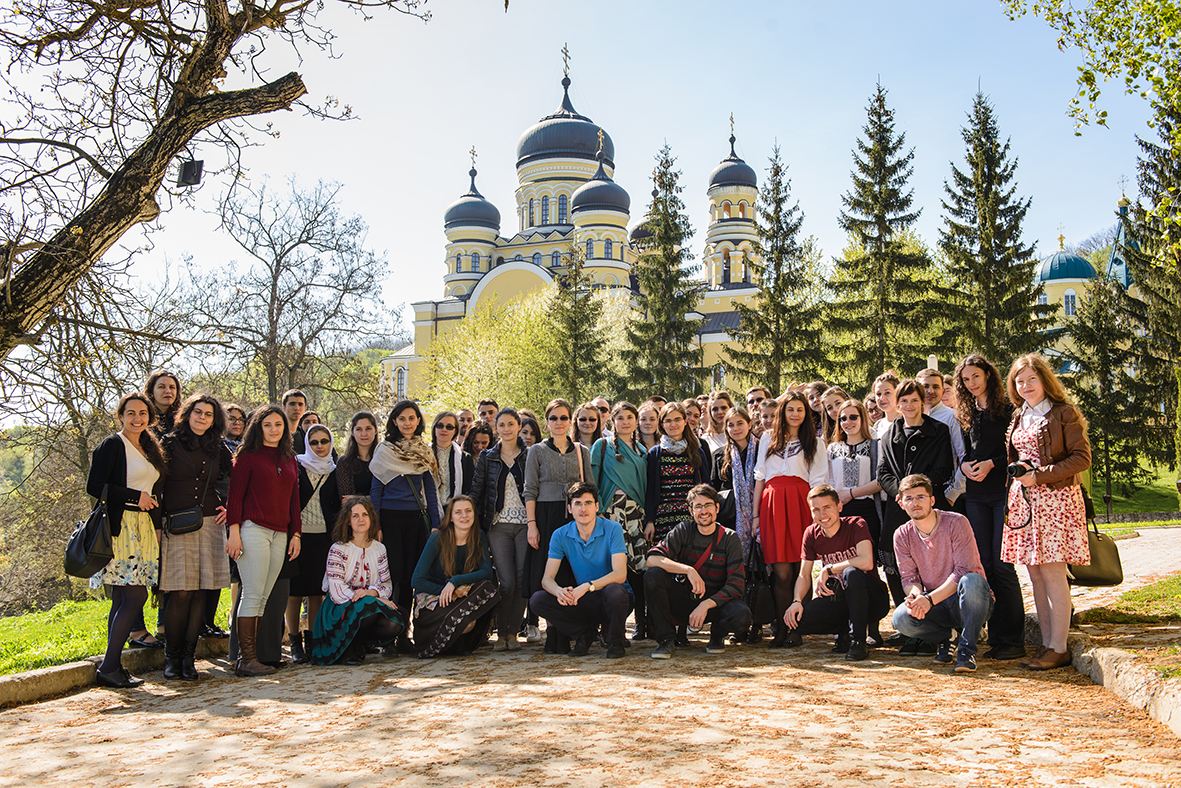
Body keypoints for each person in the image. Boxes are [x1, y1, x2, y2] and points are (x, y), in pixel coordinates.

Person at [1004, 353, 1092, 671]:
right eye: (1019, 380)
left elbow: (1081, 459)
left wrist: (1039, 475)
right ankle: (1046, 643)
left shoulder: (1063, 413)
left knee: (1054, 572)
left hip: (1056, 499)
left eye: (1031, 379)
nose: (1026, 385)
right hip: (1024, 502)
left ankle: (1059, 646)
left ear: (1045, 380)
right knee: (1035, 575)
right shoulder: (1019, 416)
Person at [87, 393, 167, 688]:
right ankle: (109, 666)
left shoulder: (148, 446)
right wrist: (136, 497)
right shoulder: (112, 445)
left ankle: (113, 666)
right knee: (136, 596)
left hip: (142, 526)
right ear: (121, 415)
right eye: (131, 413)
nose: (137, 418)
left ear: (150, 417)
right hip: (120, 527)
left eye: (143, 413)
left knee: (122, 598)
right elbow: (94, 486)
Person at [954, 354, 1025, 661]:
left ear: (988, 375)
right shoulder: (967, 412)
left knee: (1003, 565)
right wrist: (966, 465)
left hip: (1002, 493)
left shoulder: (1008, 409)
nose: (971, 384)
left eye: (975, 377)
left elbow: (1016, 451)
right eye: (965, 380)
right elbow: (965, 452)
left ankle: (1014, 639)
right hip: (976, 496)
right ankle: (996, 638)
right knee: (984, 565)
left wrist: (993, 464)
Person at [159, 393, 232, 680]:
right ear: (187, 413)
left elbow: (237, 479)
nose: (202, 418)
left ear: (215, 419)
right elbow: (157, 486)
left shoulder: (217, 447)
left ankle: (189, 659)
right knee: (180, 593)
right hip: (176, 525)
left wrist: (230, 508)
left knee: (201, 591)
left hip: (210, 523)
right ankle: (172, 658)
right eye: (197, 412)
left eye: (209, 414)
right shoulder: (169, 443)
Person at [225, 404, 302, 677]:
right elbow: (234, 496)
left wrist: (296, 534)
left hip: (280, 533)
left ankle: (252, 657)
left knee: (264, 597)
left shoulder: (289, 458)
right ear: (258, 427)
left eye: (278, 425)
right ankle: (245, 659)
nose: (273, 429)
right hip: (252, 530)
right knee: (253, 594)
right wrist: (234, 532)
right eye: (267, 424)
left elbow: (294, 500)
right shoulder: (247, 456)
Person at [891, 474, 993, 673]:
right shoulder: (901, 535)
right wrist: (916, 596)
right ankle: (948, 637)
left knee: (971, 580)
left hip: (968, 600)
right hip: (936, 604)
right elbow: (909, 577)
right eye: (909, 498)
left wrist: (929, 600)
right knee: (901, 618)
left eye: (920, 497)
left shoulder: (956, 522)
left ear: (932, 500)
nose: (915, 503)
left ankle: (967, 650)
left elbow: (964, 570)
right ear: (902, 503)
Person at [877, 378, 954, 633]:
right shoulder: (889, 435)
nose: (909, 405)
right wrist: (901, 494)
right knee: (897, 566)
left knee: (932, 564)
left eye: (914, 400)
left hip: (930, 507)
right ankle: (909, 628)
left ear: (923, 402)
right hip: (898, 508)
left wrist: (918, 494)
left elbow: (944, 468)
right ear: (898, 405)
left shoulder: (939, 430)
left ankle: (935, 624)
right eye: (904, 401)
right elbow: (883, 472)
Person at [753, 391, 828, 647]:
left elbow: (819, 480)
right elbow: (760, 478)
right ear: (782, 412)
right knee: (782, 572)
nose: (795, 414)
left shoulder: (816, 443)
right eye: (790, 409)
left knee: (801, 569)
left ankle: (798, 628)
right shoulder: (767, 438)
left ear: (806, 413)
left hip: (802, 502)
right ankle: (781, 628)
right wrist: (754, 516)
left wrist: (819, 515)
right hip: (772, 505)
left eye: (800, 409)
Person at [782, 485, 889, 660]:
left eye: (827, 508)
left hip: (872, 600)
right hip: (840, 598)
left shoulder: (856, 524)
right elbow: (804, 574)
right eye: (816, 510)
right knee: (798, 622)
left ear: (839, 507)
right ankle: (844, 632)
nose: (822, 515)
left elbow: (867, 562)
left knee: (852, 573)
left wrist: (830, 568)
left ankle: (858, 641)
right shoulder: (811, 533)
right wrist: (797, 601)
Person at [645, 484, 750, 658]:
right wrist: (688, 570)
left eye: (708, 505)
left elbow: (736, 584)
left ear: (717, 508)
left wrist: (706, 604)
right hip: (686, 598)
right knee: (653, 576)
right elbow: (652, 559)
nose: (703, 511)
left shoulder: (730, 538)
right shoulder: (683, 530)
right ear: (691, 510)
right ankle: (666, 640)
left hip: (715, 603)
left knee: (742, 616)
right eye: (698, 506)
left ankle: (717, 634)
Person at [529, 482, 631, 658]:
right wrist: (559, 592)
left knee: (615, 592)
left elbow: (620, 574)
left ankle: (616, 641)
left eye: (588, 503)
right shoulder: (560, 534)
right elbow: (547, 579)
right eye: (577, 504)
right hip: (582, 600)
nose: (583, 509)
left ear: (597, 506)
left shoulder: (612, 528)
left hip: (611, 599)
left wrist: (587, 586)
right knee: (538, 600)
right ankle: (583, 633)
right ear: (570, 508)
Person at [370, 399, 441, 647]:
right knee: (393, 577)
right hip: (390, 520)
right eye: (402, 419)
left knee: (413, 577)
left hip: (416, 520)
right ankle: (391, 633)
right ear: (394, 422)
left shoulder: (424, 450)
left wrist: (435, 524)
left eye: (411, 418)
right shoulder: (385, 450)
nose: (407, 423)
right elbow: (376, 490)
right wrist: (375, 525)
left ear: (418, 421)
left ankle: (407, 633)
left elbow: (430, 492)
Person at [524, 399, 592, 651]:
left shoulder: (581, 451)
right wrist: (532, 524)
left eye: (564, 418)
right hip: (545, 516)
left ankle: (568, 629)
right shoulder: (537, 451)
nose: (559, 423)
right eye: (554, 418)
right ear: (547, 422)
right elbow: (530, 490)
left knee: (570, 572)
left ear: (570, 422)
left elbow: (590, 489)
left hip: (575, 518)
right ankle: (553, 630)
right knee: (548, 571)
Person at [309, 497, 405, 665]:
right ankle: (347, 648)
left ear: (372, 518)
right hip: (339, 608)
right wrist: (368, 598)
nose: (361, 519)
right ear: (348, 521)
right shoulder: (338, 549)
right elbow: (337, 590)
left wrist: (372, 593)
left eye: (365, 514)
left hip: (369, 602)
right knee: (364, 606)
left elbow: (386, 585)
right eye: (355, 516)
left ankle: (359, 642)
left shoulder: (379, 548)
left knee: (395, 621)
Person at [470, 408, 529, 651]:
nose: (506, 429)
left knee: (522, 579)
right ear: (496, 427)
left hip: (527, 525)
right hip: (498, 525)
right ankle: (501, 632)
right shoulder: (487, 456)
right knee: (506, 582)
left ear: (518, 426)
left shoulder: (530, 454)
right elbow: (478, 489)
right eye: (501, 425)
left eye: (510, 424)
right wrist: (468, 519)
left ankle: (513, 633)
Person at [411, 495, 500, 657]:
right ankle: (444, 644)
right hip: (434, 600)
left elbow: (486, 572)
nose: (464, 516)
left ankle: (459, 644)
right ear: (450, 517)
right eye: (458, 512)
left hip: (461, 597)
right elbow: (417, 580)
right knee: (466, 622)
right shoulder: (437, 538)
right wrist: (447, 591)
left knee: (488, 587)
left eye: (468, 511)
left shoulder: (479, 536)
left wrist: (455, 582)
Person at [590, 402, 649, 639]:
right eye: (620, 418)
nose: (625, 422)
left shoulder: (643, 450)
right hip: (610, 514)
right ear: (612, 421)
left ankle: (641, 624)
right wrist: (597, 513)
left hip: (637, 515)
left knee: (639, 569)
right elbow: (592, 482)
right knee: (612, 569)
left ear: (636, 421)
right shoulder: (601, 446)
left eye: (630, 417)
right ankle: (610, 627)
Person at [286, 423, 336, 664]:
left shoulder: (335, 471)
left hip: (324, 538)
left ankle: (313, 640)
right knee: (295, 593)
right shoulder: (297, 465)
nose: (319, 446)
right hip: (298, 536)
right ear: (307, 443)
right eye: (314, 442)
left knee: (317, 592)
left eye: (324, 442)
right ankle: (294, 642)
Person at [645, 402, 707, 547]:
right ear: (662, 424)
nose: (673, 424)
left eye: (677, 419)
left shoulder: (697, 452)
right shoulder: (655, 454)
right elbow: (650, 490)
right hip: (663, 518)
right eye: (668, 420)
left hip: (691, 516)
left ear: (685, 421)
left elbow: (706, 486)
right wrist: (649, 521)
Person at [827, 398, 883, 556]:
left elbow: (880, 481)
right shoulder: (833, 448)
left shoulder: (876, 446)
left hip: (866, 510)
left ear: (862, 419)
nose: (847, 422)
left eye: (853, 417)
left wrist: (851, 493)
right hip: (839, 511)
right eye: (843, 418)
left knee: (866, 563)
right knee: (841, 561)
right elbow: (828, 481)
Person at [710, 406, 757, 560]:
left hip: (757, 515)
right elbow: (713, 488)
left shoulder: (761, 451)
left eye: (740, 423)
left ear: (749, 424)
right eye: (731, 425)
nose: (736, 428)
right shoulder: (719, 454)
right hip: (729, 517)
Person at [917, 368, 967, 509]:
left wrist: (952, 493)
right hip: (918, 497)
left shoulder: (952, 417)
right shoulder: (911, 419)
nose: (930, 391)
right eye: (925, 386)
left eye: (936, 387)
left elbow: (963, 457)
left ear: (944, 391)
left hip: (945, 495)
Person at [323, 411, 379, 526]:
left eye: (368, 428)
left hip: (380, 520)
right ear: (352, 433)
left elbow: (388, 496)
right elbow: (346, 500)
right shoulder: (344, 463)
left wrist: (360, 497)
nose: (364, 433)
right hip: (354, 522)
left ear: (376, 430)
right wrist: (372, 498)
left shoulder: (384, 461)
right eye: (359, 429)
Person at [430, 410, 473, 513]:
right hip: (429, 511)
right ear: (434, 428)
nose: (444, 430)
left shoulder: (465, 458)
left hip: (455, 512)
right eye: (440, 426)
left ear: (455, 431)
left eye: (449, 427)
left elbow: (468, 489)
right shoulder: (424, 456)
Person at [144, 369, 181, 437]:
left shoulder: (183, 419)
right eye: (161, 387)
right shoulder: (143, 418)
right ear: (151, 391)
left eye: (172, 387)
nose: (168, 391)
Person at [871, 372, 901, 439]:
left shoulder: (906, 422)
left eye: (887, 393)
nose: (882, 398)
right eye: (879, 394)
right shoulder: (877, 426)